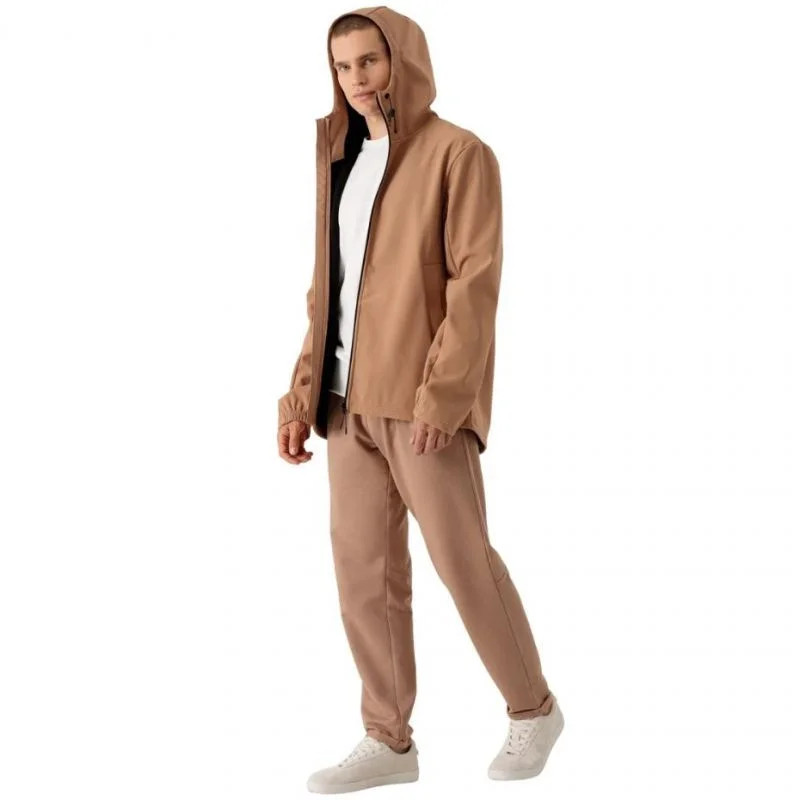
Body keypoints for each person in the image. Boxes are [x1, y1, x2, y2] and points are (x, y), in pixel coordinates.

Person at [277, 6, 564, 794]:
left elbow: (475, 284)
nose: (357, 79)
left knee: (461, 561)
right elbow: (327, 292)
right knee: (364, 575)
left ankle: (533, 708)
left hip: (420, 399)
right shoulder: (339, 158)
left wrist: (445, 395)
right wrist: (301, 394)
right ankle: (388, 738)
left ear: (402, 58)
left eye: (370, 60)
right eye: (342, 66)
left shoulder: (458, 154)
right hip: (345, 403)